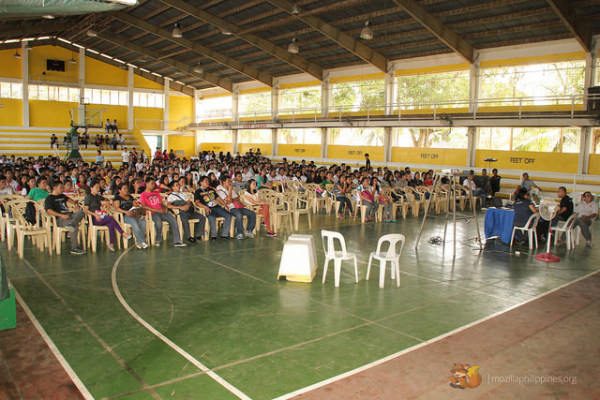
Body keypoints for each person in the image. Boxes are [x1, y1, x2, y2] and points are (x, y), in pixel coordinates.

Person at [84, 179, 131, 252]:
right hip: (94, 218)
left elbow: (105, 199)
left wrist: (107, 202)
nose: (98, 189)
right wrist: (95, 215)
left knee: (111, 224)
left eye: (98, 187)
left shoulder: (97, 196)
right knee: (111, 218)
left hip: (101, 216)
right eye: (96, 187)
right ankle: (123, 233)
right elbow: (86, 210)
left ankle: (111, 244)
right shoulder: (88, 197)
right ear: (91, 188)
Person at [140, 178, 186, 247]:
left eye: (154, 184)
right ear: (146, 184)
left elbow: (161, 203)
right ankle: (158, 239)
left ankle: (177, 241)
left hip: (162, 211)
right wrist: (157, 210)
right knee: (158, 223)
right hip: (152, 212)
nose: (153, 185)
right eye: (151, 183)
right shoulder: (143, 194)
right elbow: (144, 206)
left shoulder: (156, 193)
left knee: (173, 220)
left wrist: (164, 208)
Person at [44, 181, 85, 254]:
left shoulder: (62, 195)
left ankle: (71, 223)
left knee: (82, 211)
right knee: (74, 227)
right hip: (60, 219)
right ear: (54, 188)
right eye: (61, 188)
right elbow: (49, 211)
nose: (62, 189)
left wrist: (75, 203)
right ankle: (74, 248)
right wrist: (61, 215)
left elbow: (68, 199)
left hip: (69, 215)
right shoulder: (49, 198)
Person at [216, 175, 256, 240]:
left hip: (238, 206)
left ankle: (249, 230)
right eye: (228, 181)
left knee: (252, 213)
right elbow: (228, 200)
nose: (230, 183)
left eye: (230, 181)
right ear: (223, 182)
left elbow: (238, 198)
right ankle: (239, 233)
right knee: (239, 215)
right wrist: (231, 192)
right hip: (230, 208)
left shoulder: (232, 189)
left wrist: (232, 199)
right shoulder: (220, 191)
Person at [195, 176, 234, 240]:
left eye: (208, 181)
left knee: (229, 215)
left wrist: (225, 205)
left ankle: (225, 234)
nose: (208, 182)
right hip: (208, 208)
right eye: (206, 181)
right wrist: (205, 207)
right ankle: (214, 236)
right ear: (201, 183)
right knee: (212, 217)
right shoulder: (198, 191)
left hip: (216, 207)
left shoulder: (211, 190)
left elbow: (218, 198)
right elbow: (197, 202)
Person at [113, 183, 148, 249]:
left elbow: (135, 205)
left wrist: (139, 208)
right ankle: (141, 241)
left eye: (127, 189)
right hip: (124, 215)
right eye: (124, 189)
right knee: (134, 222)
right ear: (119, 190)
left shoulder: (130, 197)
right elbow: (117, 208)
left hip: (133, 214)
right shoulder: (117, 198)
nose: (126, 190)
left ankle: (139, 241)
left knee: (143, 221)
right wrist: (126, 212)